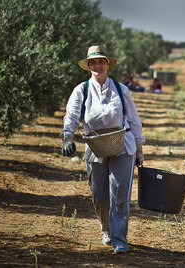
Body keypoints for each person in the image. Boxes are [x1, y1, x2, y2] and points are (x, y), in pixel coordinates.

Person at [61, 45, 145, 253]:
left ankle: (119, 239)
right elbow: (72, 116)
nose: (98, 65)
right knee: (100, 196)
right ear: (89, 66)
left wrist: (140, 148)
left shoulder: (121, 89)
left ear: (108, 64)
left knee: (120, 194)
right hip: (95, 147)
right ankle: (106, 228)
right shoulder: (81, 90)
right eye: (93, 62)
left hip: (123, 145)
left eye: (101, 61)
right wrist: (68, 137)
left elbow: (133, 120)